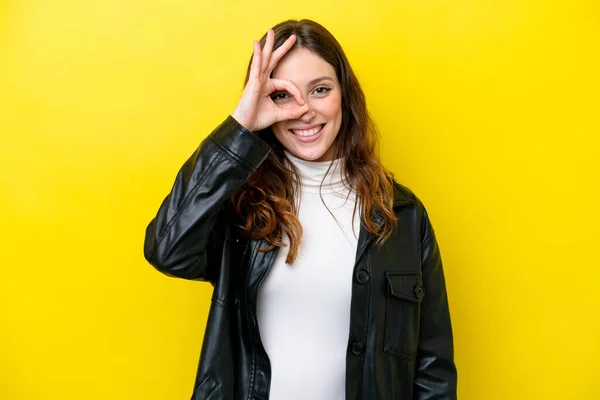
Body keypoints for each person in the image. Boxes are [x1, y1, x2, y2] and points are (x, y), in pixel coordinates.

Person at [143, 19, 457, 400]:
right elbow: (167, 248)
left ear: (345, 95)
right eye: (282, 96)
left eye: (320, 90)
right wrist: (240, 126)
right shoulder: (241, 208)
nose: (304, 111)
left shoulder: (402, 214)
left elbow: (432, 367)